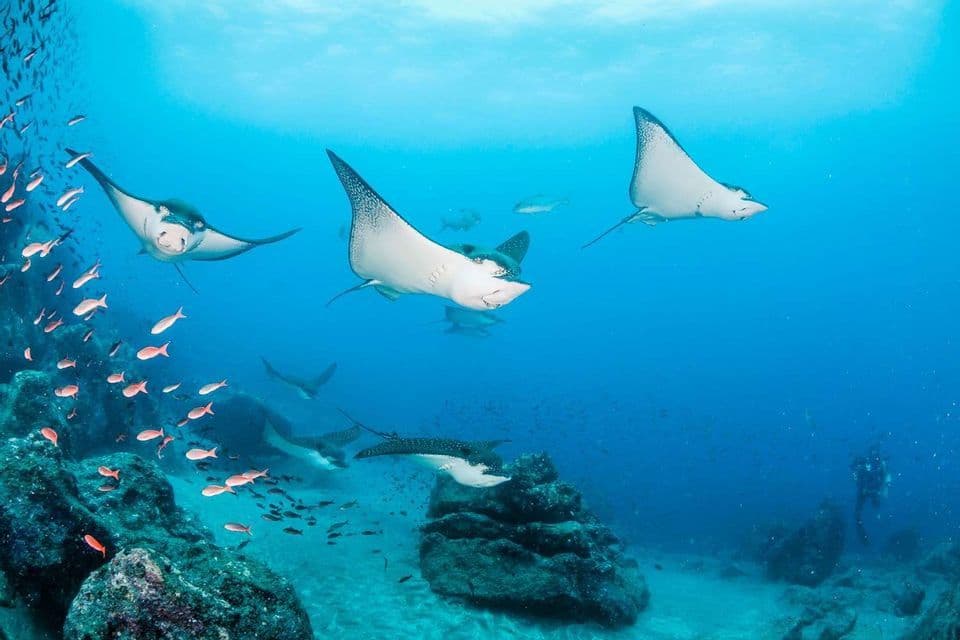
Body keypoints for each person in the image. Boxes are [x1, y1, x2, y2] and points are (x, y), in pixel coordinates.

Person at [850, 447, 891, 545]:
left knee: (874, 506)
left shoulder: (879, 464)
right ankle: (864, 536)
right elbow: (856, 477)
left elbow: (886, 476)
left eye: (875, 453)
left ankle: (878, 523)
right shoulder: (864, 464)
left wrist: (885, 488)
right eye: (872, 453)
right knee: (858, 513)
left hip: (872, 490)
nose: (874, 455)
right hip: (866, 491)